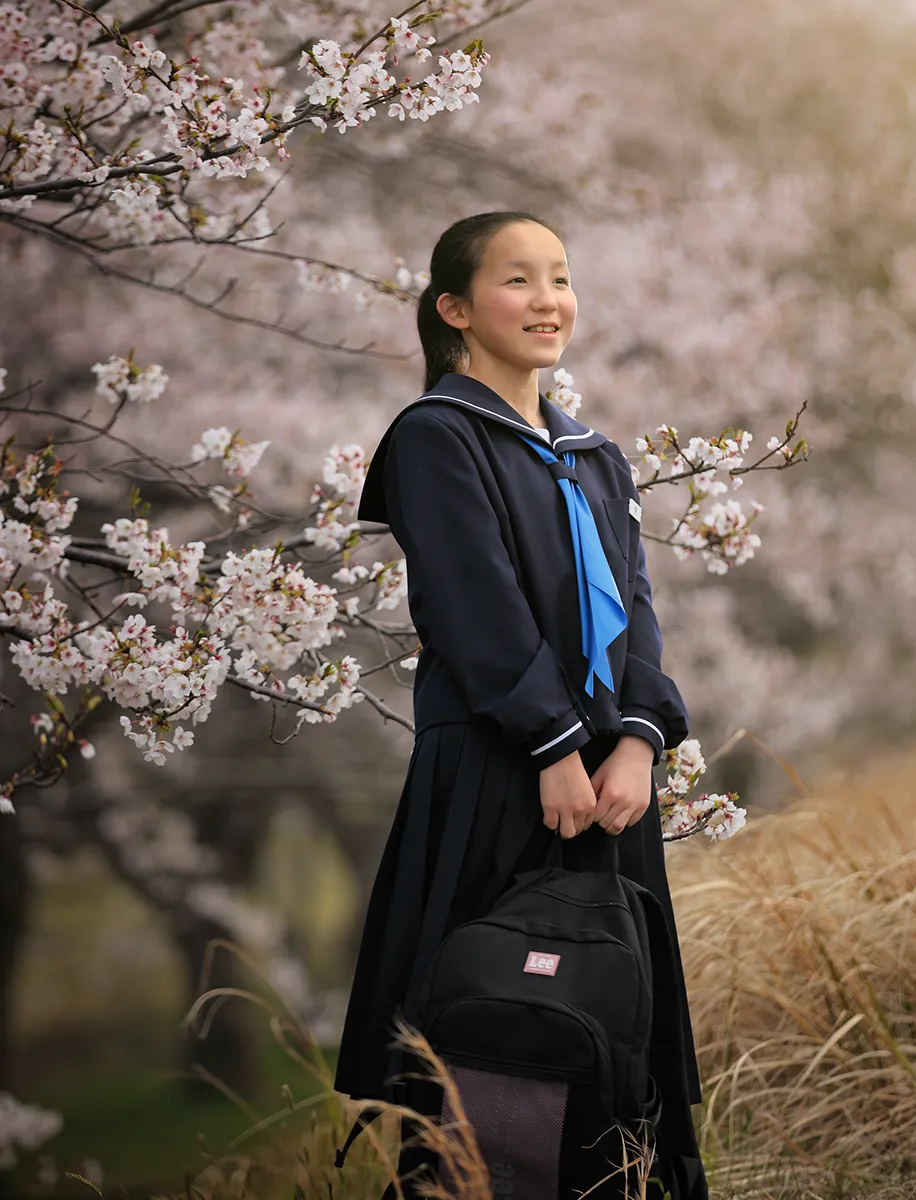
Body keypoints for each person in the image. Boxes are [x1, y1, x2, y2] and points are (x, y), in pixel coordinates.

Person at [332, 211, 707, 1198]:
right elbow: (471, 603)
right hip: (502, 774)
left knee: (613, 1047)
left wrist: (636, 740)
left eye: (560, 279)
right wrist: (552, 748)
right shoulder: (436, 437)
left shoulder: (597, 457)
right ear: (454, 308)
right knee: (487, 1039)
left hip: (611, 787)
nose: (547, 302)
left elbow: (634, 610)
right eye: (517, 281)